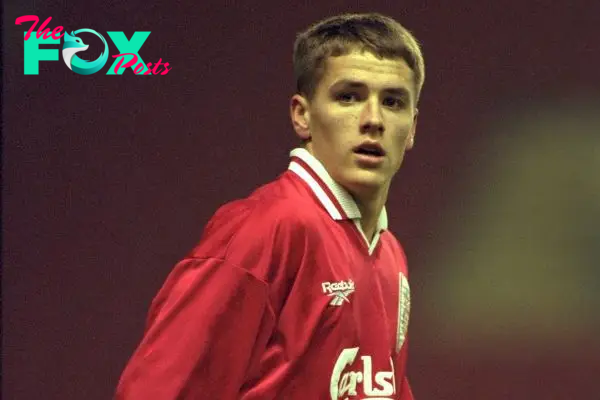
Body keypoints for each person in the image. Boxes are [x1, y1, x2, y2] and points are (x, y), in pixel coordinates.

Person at [115, 12, 425, 400]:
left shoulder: (388, 252)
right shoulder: (266, 228)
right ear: (302, 115)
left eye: (393, 102)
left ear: (412, 127)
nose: (373, 119)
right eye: (348, 96)